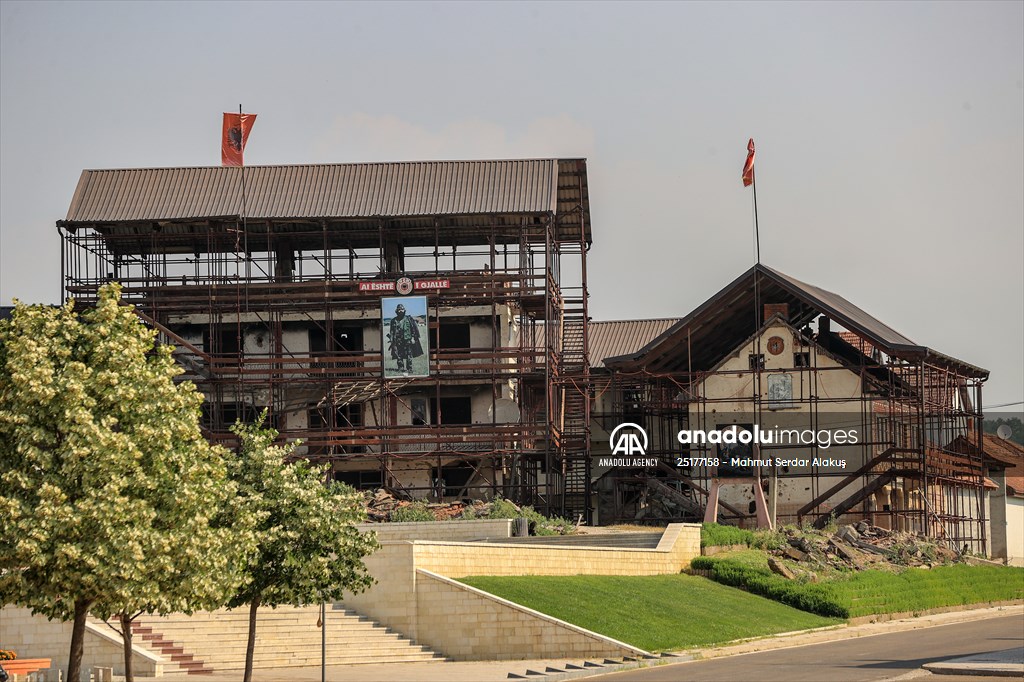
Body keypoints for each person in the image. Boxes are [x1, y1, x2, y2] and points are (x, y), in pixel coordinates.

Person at [387, 303, 423, 376]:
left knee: (409, 355)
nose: (400, 311)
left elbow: (413, 329)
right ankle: (400, 368)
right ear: (396, 311)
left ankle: (409, 369)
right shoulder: (393, 320)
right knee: (399, 355)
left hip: (407, 340)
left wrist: (413, 338)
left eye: (402, 309)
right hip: (398, 341)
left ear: (404, 310)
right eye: (399, 310)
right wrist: (392, 341)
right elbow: (391, 331)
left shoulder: (409, 319)